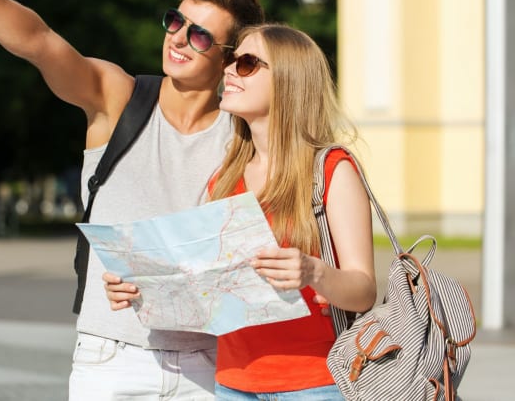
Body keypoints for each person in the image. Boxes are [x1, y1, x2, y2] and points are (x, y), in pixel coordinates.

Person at [0, 0, 264, 400]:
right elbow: (39, 42)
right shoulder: (119, 98)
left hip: (209, 367)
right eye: (175, 21)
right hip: (112, 360)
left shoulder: (246, 135)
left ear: (228, 58)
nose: (177, 38)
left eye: (198, 35)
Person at [104, 23, 376, 400]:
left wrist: (315, 272)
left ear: (288, 80)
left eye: (247, 63)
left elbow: (363, 291)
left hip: (315, 383)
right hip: (232, 383)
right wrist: (139, 286)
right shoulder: (226, 175)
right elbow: (209, 289)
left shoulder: (331, 169)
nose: (229, 70)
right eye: (231, 60)